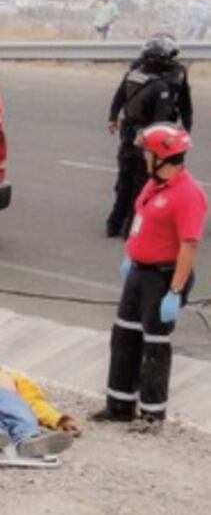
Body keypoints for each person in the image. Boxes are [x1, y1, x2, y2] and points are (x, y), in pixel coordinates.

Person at [93, 124, 206, 433]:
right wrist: (131, 256)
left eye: (148, 151)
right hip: (139, 273)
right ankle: (119, 406)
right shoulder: (153, 185)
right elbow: (142, 221)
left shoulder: (188, 194)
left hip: (162, 279)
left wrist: (175, 291)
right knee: (124, 337)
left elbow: (188, 246)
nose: (144, 155)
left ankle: (152, 416)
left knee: (154, 346)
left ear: (162, 156)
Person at [106, 34, 193, 237]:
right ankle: (123, 224)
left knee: (133, 178)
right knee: (135, 180)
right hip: (149, 134)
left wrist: (187, 131)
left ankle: (120, 223)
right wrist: (113, 116)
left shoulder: (177, 73)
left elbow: (185, 104)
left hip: (144, 133)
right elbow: (122, 94)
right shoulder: (149, 77)